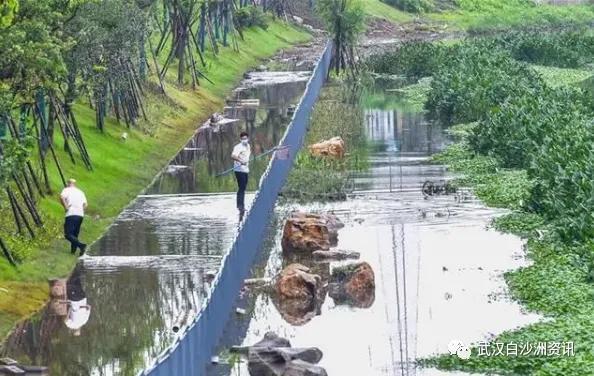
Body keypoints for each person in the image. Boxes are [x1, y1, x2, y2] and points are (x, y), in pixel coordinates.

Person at [60, 178, 88, 255]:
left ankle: (82, 246)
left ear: (68, 183)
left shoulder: (66, 190)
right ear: (75, 184)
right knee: (75, 234)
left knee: (68, 234)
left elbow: (61, 197)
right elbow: (85, 205)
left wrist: (65, 207)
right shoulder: (80, 192)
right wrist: (81, 210)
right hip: (80, 215)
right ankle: (73, 252)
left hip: (71, 213)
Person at [231, 132, 251, 218]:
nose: (244, 140)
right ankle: (240, 206)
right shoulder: (238, 147)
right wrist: (240, 161)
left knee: (243, 187)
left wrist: (245, 161)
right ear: (240, 139)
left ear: (248, 138)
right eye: (243, 139)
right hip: (239, 170)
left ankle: (241, 206)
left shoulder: (248, 146)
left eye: (246, 138)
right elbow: (233, 155)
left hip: (246, 170)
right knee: (241, 187)